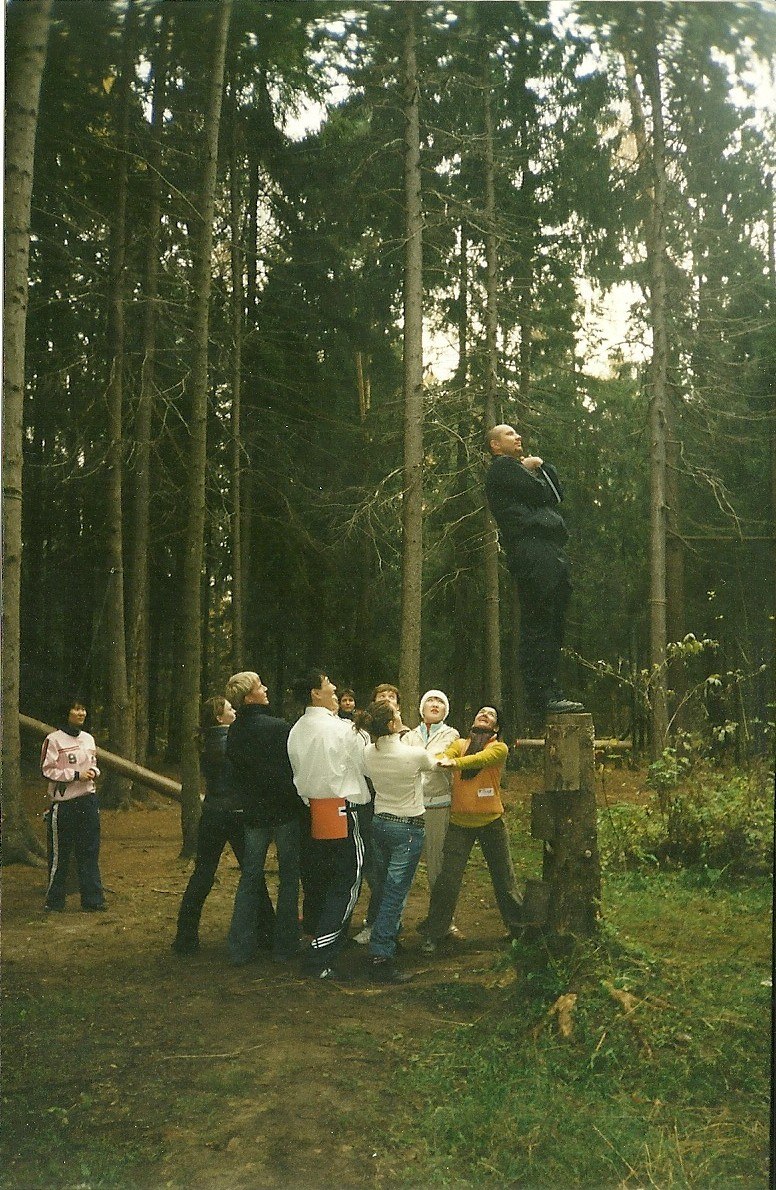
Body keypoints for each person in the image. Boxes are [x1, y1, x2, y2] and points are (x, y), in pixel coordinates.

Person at [485, 423, 583, 726]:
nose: (518, 437)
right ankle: (541, 694)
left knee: (553, 623)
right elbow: (541, 491)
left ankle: (551, 690)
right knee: (539, 622)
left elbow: (555, 495)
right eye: (510, 435)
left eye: (518, 434)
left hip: (550, 553)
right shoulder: (502, 469)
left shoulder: (520, 472)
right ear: (495, 446)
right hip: (532, 552)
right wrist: (530, 467)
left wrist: (540, 466)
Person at [287, 667, 370, 980]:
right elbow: (366, 762)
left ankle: (320, 942)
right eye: (328, 685)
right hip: (343, 811)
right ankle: (321, 952)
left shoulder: (297, 729)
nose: (334, 688)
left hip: (315, 811)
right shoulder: (341, 730)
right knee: (346, 884)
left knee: (323, 882)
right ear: (315, 693)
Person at [420, 705, 523, 953]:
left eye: (490, 715)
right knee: (448, 879)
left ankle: (520, 929)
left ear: (496, 727)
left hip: (491, 822)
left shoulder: (498, 748)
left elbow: (478, 760)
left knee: (504, 878)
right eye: (481, 712)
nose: (484, 714)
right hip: (460, 823)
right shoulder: (460, 743)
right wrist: (445, 758)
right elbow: (446, 753)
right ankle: (434, 933)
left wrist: (451, 763)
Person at [225, 672, 302, 965]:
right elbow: (290, 768)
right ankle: (285, 945)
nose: (266, 688)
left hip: (254, 814)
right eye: (260, 687)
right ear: (249, 697)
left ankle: (240, 947)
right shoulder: (279, 727)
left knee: (250, 878)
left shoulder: (235, 730)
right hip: (283, 811)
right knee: (289, 878)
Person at [359, 701, 436, 984]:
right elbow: (435, 765)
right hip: (408, 828)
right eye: (398, 715)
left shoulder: (368, 752)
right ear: (392, 724)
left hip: (380, 823)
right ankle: (380, 956)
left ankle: (386, 939)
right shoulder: (415, 754)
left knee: (384, 888)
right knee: (395, 893)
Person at [172, 695, 252, 955]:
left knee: (203, 874)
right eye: (230, 709)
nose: (235, 711)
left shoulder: (210, 741)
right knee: (252, 872)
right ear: (219, 717)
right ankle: (266, 931)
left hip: (213, 813)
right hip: (235, 814)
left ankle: (185, 936)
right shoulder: (230, 741)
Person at [402, 690, 462, 938]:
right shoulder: (410, 736)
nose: (435, 705)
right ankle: (393, 923)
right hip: (411, 807)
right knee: (404, 867)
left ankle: (444, 923)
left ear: (445, 710)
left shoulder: (451, 735)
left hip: (438, 806)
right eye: (430, 701)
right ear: (421, 708)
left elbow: (440, 762)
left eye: (440, 702)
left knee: (437, 866)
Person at [41, 698, 106, 912]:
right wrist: (76, 775)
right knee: (61, 854)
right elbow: (47, 770)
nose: (81, 713)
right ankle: (54, 902)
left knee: (89, 852)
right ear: (66, 712)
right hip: (64, 805)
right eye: (76, 709)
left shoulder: (88, 739)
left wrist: (92, 773)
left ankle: (93, 901)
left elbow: (94, 765)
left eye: (84, 709)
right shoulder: (54, 739)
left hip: (87, 801)